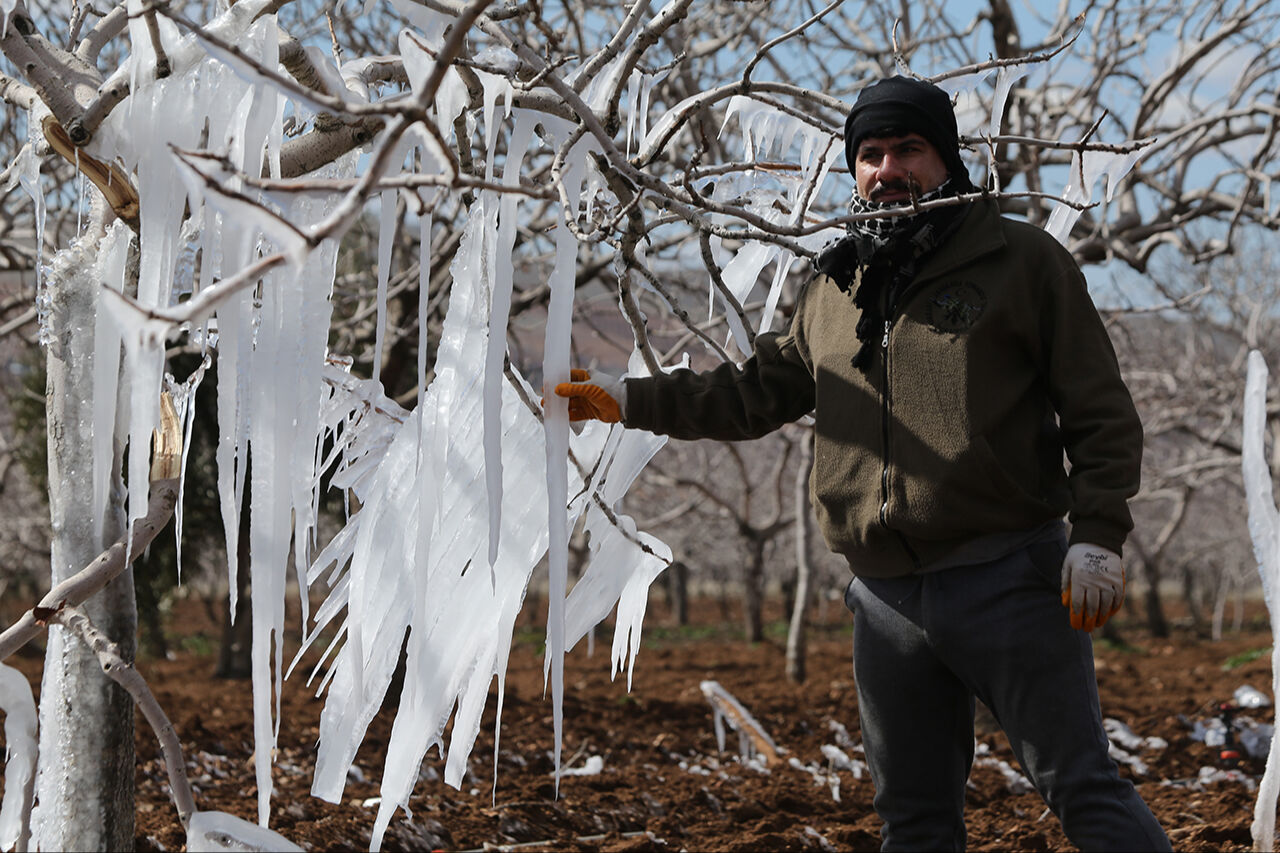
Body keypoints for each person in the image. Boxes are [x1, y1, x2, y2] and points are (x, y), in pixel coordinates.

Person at [554, 75, 1171, 851]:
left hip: (1008, 577)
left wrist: (1099, 533)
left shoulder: (1022, 262)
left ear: (946, 160)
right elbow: (753, 393)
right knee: (911, 821)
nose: (888, 168)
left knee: (1081, 787)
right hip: (885, 603)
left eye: (908, 149)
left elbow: (1101, 411)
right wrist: (626, 400)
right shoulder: (837, 282)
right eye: (871, 153)